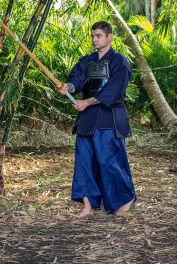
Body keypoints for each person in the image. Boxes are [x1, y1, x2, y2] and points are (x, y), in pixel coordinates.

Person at [58, 21, 136, 217]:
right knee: (83, 161)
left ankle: (124, 200)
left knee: (109, 160)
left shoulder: (120, 62)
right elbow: (77, 80)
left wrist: (87, 102)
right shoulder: (85, 61)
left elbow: (113, 90)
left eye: (98, 35)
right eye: (92, 36)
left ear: (109, 37)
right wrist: (69, 87)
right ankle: (87, 206)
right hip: (87, 120)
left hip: (109, 118)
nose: (94, 39)